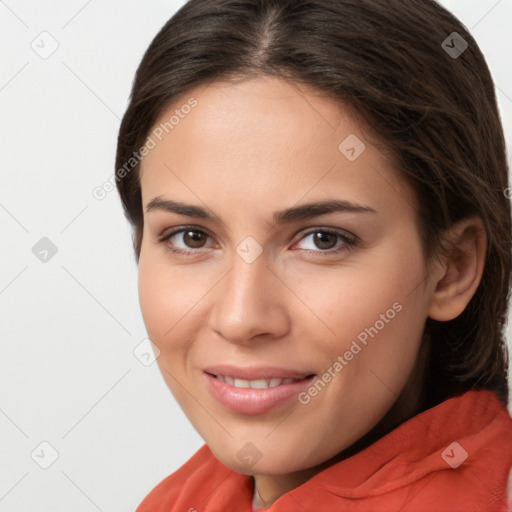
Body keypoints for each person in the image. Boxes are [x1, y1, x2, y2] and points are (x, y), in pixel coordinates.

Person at [115, 0, 512, 509]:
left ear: (451, 269)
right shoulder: (187, 498)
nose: (241, 318)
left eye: (323, 239)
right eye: (191, 237)